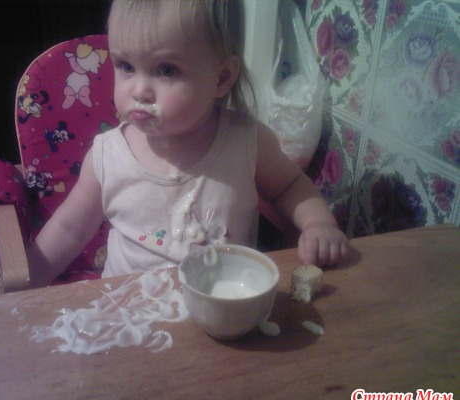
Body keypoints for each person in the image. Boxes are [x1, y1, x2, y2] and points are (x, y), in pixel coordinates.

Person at [27, 0, 348, 287]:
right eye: (126, 66)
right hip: (127, 312)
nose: (139, 90)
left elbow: (289, 187)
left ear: (222, 78)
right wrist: (23, 285)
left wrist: (318, 223)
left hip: (222, 309)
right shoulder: (107, 156)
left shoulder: (247, 142)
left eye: (166, 70)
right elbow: (68, 230)